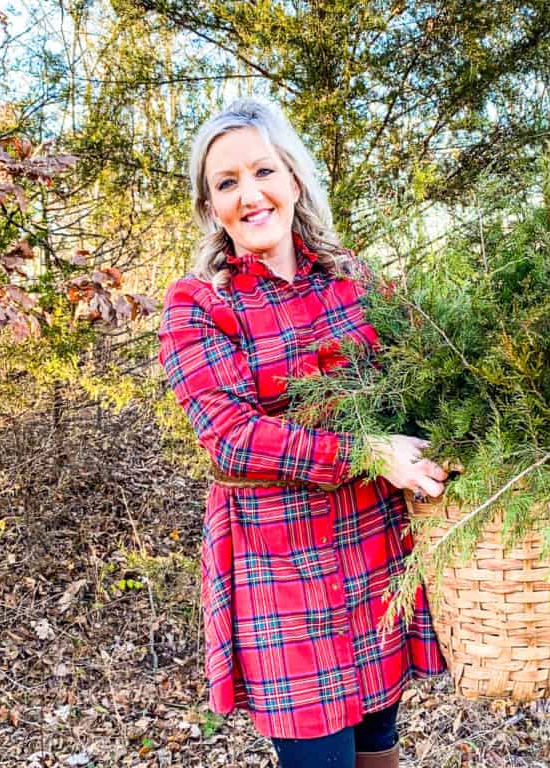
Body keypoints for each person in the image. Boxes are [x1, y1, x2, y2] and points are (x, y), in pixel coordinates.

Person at [157, 98, 449, 768]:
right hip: (281, 565)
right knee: (318, 756)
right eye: (226, 183)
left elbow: (426, 374)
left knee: (379, 740)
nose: (249, 194)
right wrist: (367, 452)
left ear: (293, 179)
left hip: (374, 546)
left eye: (263, 171)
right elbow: (231, 436)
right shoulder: (198, 303)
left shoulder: (354, 279)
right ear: (210, 207)